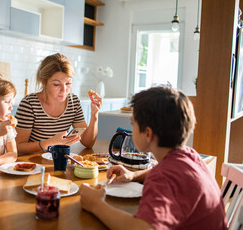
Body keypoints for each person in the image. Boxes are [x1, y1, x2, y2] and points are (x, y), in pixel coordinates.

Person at [80, 86, 227, 230]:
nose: (132, 129)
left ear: (148, 134)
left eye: (133, 124)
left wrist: (95, 204)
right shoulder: (190, 156)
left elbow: (144, 227)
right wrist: (133, 175)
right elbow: (167, 175)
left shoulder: (163, 177)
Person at [15, 53, 102, 154]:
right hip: (33, 164)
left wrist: (94, 115)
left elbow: (88, 143)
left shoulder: (73, 102)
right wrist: (50, 142)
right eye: (56, 84)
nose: (64, 90)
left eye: (68, 83)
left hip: (57, 160)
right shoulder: (29, 104)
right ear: (44, 81)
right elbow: (18, 146)